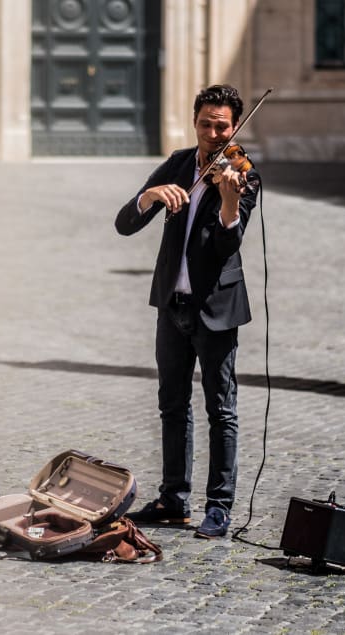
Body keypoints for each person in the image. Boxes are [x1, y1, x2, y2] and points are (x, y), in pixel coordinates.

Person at [114, 84, 260, 539]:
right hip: (171, 306)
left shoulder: (243, 173)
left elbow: (226, 245)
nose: (214, 134)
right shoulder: (178, 164)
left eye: (223, 126)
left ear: (234, 126)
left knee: (222, 409)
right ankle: (174, 500)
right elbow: (125, 223)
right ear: (194, 122)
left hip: (216, 310)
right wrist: (151, 196)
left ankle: (218, 507)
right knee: (171, 405)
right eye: (206, 124)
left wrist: (231, 201)